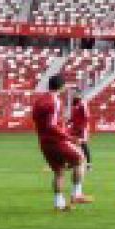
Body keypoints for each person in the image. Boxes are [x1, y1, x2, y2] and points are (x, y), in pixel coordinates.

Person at [32, 74, 92, 212]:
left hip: (44, 142)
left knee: (59, 172)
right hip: (57, 140)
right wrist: (70, 138)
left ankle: (59, 204)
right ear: (62, 86)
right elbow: (52, 125)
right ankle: (76, 194)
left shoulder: (39, 100)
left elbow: (36, 118)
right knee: (81, 159)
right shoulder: (55, 101)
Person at [67, 90, 93, 171]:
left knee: (83, 145)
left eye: (76, 94)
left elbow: (86, 118)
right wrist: (68, 121)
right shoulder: (74, 104)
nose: (74, 95)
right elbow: (74, 117)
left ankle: (89, 165)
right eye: (73, 94)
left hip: (82, 129)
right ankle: (73, 162)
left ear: (80, 95)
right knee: (71, 145)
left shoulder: (82, 104)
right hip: (74, 128)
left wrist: (82, 129)